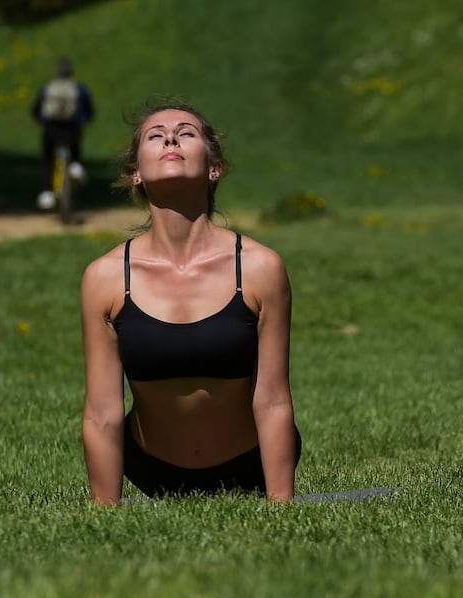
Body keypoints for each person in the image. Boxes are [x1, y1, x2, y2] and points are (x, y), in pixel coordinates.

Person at [79, 101, 300, 504]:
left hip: (248, 467)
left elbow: (273, 400)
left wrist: (281, 506)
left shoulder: (259, 268)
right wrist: (104, 515)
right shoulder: (106, 277)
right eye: (155, 135)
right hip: (149, 470)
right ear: (135, 173)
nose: (170, 138)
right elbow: (101, 413)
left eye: (186, 132)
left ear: (214, 168)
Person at [31, 56, 95, 210]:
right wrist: (82, 120)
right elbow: (88, 111)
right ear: (72, 72)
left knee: (47, 158)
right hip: (72, 128)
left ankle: (47, 192)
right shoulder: (79, 88)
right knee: (74, 148)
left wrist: (42, 120)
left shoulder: (48, 87)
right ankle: (76, 166)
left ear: (58, 72)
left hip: (51, 129)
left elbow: (36, 109)